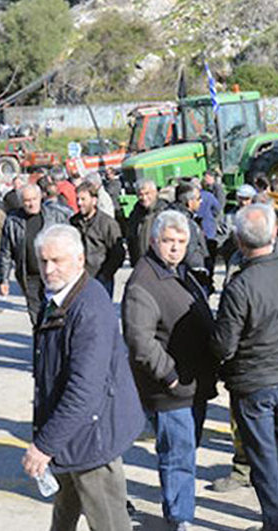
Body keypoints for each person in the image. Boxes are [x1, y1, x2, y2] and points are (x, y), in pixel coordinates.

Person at [22, 224, 143, 531]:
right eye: (44, 261)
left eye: (57, 261)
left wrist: (44, 445)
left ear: (80, 259)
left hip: (91, 439)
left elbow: (84, 391)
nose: (49, 269)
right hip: (70, 435)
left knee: (109, 524)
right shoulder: (57, 298)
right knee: (64, 511)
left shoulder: (89, 308)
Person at [211, 204, 278, 531]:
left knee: (264, 459)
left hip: (254, 381)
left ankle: (277, 524)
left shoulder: (241, 285)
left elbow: (224, 344)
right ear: (275, 233)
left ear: (239, 240)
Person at [122, 211, 216, 531]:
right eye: (168, 241)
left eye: (181, 242)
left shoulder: (180, 271)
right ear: (153, 241)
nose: (175, 248)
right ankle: (179, 518)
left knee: (186, 451)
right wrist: (170, 375)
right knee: (177, 456)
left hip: (193, 383)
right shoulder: (144, 280)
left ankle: (179, 507)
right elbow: (139, 340)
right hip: (172, 390)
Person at [0, 184, 71, 326]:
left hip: (54, 275)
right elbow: (6, 252)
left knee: (57, 315)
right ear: (21, 201)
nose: (31, 204)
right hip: (30, 277)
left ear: (41, 197)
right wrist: (4, 279)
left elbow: (69, 244)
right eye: (26, 200)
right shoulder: (13, 221)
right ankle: (40, 346)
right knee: (37, 318)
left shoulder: (55, 216)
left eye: (34, 199)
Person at [70, 180, 125, 297]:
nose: (79, 203)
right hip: (78, 280)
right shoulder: (73, 223)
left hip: (101, 280)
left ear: (94, 200)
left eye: (83, 199)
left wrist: (105, 275)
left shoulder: (107, 223)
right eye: (77, 199)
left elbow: (118, 254)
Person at [126, 179, 168, 267]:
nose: (144, 198)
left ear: (155, 193)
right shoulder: (135, 214)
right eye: (140, 195)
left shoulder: (164, 212)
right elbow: (131, 239)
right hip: (142, 265)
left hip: (161, 264)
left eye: (147, 193)